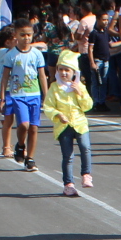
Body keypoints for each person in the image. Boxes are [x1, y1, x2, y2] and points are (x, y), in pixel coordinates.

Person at [45, 49, 95, 196]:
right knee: (68, 156)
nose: (64, 73)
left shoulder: (79, 87)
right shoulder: (54, 88)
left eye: (67, 70)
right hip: (63, 126)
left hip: (79, 123)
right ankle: (68, 184)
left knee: (85, 147)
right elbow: (48, 106)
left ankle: (86, 174)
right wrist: (57, 114)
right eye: (61, 69)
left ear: (74, 72)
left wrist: (79, 94)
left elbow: (88, 106)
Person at [0, 25, 46, 169]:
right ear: (16, 35)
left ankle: (30, 159)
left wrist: (46, 96)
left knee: (34, 128)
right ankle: (20, 144)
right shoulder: (11, 55)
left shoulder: (37, 54)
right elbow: (5, 77)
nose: (26, 38)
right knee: (24, 125)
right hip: (18, 95)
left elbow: (42, 76)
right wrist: (2, 98)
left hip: (34, 94)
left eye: (29, 35)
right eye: (22, 35)